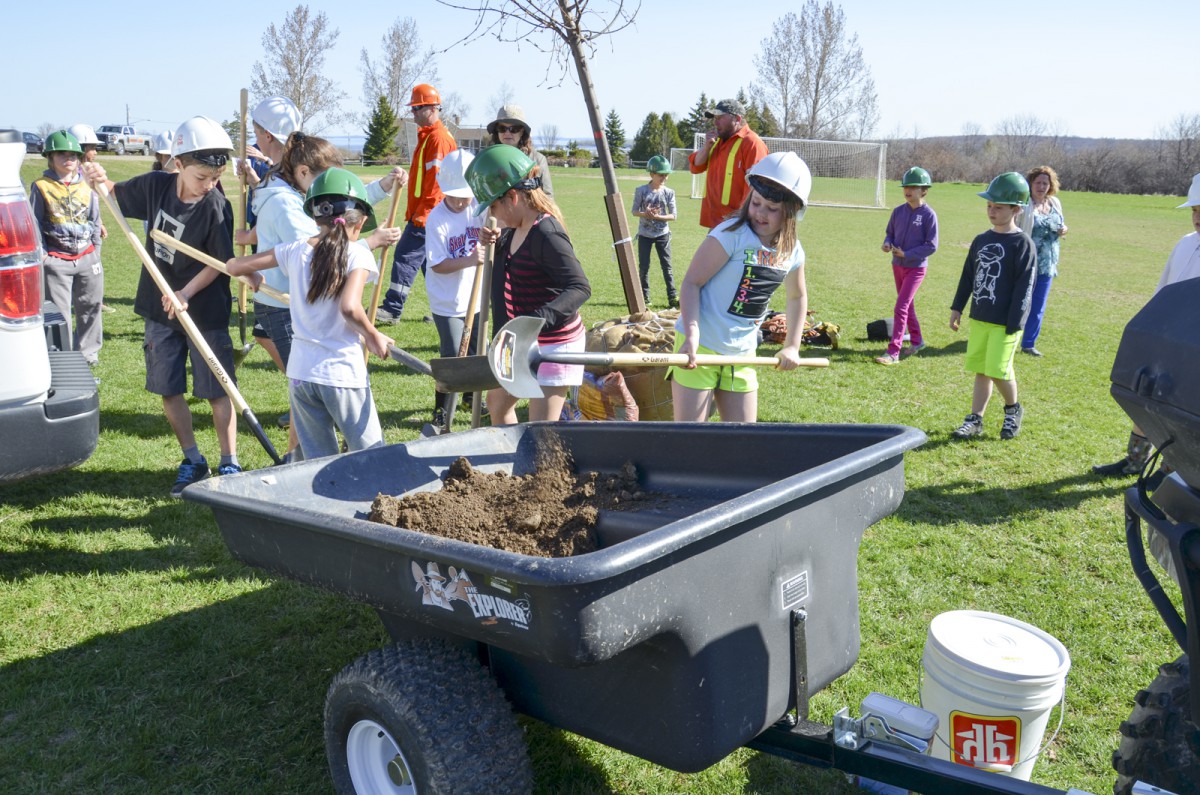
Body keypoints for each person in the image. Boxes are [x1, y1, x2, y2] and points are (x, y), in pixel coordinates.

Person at [83, 116, 241, 495]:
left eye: (216, 177)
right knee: (168, 387)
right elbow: (113, 193)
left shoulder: (216, 205)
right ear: (179, 164)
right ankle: (193, 459)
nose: (210, 185)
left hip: (204, 313)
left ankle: (229, 461)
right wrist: (97, 176)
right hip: (159, 309)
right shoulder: (155, 186)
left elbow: (218, 263)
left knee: (218, 389)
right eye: (202, 177)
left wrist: (185, 294)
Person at [227, 169, 394, 460]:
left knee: (317, 462)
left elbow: (233, 266)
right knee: (373, 458)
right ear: (362, 220)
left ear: (315, 217)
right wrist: (373, 335)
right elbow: (349, 308)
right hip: (341, 373)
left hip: (302, 374)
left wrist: (252, 275)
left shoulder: (293, 250)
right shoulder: (358, 254)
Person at [670, 152, 811, 423]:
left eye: (772, 208)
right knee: (689, 441)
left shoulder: (792, 251)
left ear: (791, 213)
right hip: (700, 350)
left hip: (743, 354)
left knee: (743, 442)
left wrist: (793, 346)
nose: (760, 212)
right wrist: (691, 335)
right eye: (756, 203)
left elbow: (797, 296)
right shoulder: (729, 235)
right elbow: (691, 283)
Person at [466, 145, 591, 425]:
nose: (493, 215)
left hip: (555, 344)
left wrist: (537, 320)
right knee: (497, 404)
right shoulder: (513, 230)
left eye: (494, 206)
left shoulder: (546, 233)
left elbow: (579, 287)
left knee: (540, 431)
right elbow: (509, 276)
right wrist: (497, 244)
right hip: (524, 340)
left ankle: (539, 467)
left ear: (512, 196)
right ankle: (511, 461)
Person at [1094, 172, 1200, 478]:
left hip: (1193, 349)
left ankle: (1172, 469)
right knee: (1147, 398)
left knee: (1182, 413)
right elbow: (1163, 290)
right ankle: (1135, 460)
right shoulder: (1185, 244)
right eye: (1194, 211)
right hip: (1167, 339)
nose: (1196, 218)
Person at [948, 172, 1037, 441]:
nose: (992, 211)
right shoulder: (981, 240)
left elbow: (1025, 287)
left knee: (998, 369)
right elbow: (968, 276)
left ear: (1016, 209)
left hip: (1006, 323)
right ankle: (975, 419)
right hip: (981, 317)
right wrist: (957, 308)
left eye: (998, 207)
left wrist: (1016, 322)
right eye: (989, 205)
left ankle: (1012, 410)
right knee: (981, 370)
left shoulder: (1023, 244)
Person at [376, 83, 458, 324]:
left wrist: (423, 214)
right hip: (426, 211)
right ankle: (442, 310)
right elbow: (424, 177)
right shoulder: (429, 137)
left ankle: (392, 309)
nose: (413, 114)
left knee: (404, 256)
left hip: (428, 213)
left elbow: (437, 182)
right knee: (429, 265)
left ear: (431, 108)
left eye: (416, 108)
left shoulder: (438, 138)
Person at [30, 131, 104, 373]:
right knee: (59, 313)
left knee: (91, 306)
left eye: (73, 154)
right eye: (62, 154)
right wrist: (43, 256)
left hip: (87, 255)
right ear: (50, 157)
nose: (68, 158)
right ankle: (63, 356)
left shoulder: (87, 184)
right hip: (56, 259)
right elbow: (34, 222)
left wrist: (96, 252)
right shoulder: (41, 186)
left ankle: (88, 353)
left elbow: (95, 218)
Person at [237, 97, 302, 370]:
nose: (255, 139)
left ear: (267, 134)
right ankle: (296, 403)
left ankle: (300, 408)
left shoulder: (289, 175)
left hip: (281, 286)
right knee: (263, 335)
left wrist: (249, 254)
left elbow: (292, 231)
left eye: (256, 132)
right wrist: (253, 180)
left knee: (298, 365)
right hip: (272, 284)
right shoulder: (279, 172)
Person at [424, 149, 483, 431]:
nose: (461, 201)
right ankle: (440, 411)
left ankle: (471, 398)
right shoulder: (437, 219)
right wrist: (470, 259)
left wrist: (491, 235)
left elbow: (491, 230)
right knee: (452, 357)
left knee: (474, 352)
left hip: (476, 295)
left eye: (465, 195)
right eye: (455, 195)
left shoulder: (477, 207)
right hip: (448, 301)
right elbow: (437, 265)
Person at [875, 166, 939, 365]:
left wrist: (908, 254)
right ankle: (917, 341)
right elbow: (890, 233)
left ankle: (894, 352)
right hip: (897, 265)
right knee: (907, 305)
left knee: (901, 307)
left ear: (924, 190)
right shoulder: (898, 212)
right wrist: (887, 243)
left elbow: (932, 246)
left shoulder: (929, 215)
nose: (908, 190)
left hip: (916, 268)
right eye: (906, 186)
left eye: (913, 187)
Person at [687, 98, 769, 229]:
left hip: (738, 225)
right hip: (716, 224)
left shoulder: (752, 143)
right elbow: (695, 167)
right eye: (714, 118)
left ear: (737, 118)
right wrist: (707, 147)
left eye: (720, 118)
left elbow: (756, 187)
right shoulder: (717, 141)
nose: (715, 122)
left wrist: (743, 220)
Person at [1017, 165, 1068, 357]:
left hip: (1048, 263)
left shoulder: (1054, 202)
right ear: (1030, 184)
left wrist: (1064, 230)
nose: (1041, 186)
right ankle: (1009, 335)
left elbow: (1060, 224)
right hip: (1026, 261)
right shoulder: (1024, 204)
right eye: (1037, 182)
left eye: (1045, 183)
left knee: (1038, 305)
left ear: (1051, 185)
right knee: (1021, 301)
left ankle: (1028, 344)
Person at [67, 123, 113, 314]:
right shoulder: (71, 173)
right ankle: (78, 299)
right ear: (81, 148)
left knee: (95, 264)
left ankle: (95, 300)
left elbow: (94, 199)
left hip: (93, 222)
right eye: (92, 147)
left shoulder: (91, 169)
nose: (95, 151)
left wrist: (99, 222)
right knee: (78, 264)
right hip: (78, 226)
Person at [631, 154, 678, 308]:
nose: (664, 178)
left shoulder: (669, 192)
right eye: (661, 175)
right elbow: (634, 211)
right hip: (645, 235)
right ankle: (644, 297)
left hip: (663, 235)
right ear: (651, 174)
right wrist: (646, 214)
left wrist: (659, 216)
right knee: (644, 267)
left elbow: (674, 216)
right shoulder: (641, 190)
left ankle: (672, 297)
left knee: (667, 267)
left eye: (666, 175)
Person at [486, 104, 554, 198]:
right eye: (502, 128)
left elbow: (548, 197)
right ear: (497, 131)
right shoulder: (488, 160)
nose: (507, 133)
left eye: (514, 129)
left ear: (522, 132)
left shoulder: (538, 160)